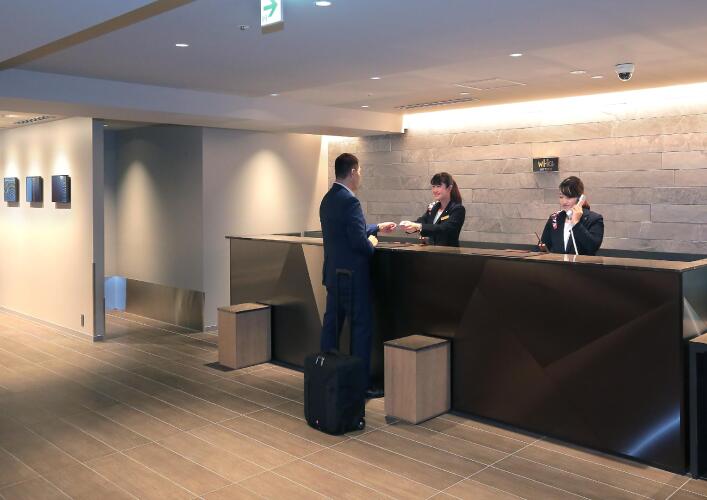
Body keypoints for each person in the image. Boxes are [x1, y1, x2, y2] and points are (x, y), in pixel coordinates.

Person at [319, 153, 395, 398]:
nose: (360, 175)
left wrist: (376, 227)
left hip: (334, 276)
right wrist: (372, 241)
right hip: (353, 278)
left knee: (331, 327)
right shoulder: (350, 201)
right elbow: (360, 243)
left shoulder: (328, 199)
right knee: (361, 330)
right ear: (352, 172)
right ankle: (360, 386)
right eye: (359, 171)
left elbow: (345, 231)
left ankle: (324, 377)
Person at [539, 176, 604, 255]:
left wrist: (576, 223)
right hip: (557, 262)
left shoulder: (594, 219)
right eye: (561, 197)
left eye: (569, 197)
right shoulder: (554, 218)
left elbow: (593, 247)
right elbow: (543, 246)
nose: (564, 202)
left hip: (581, 263)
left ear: (580, 198)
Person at [399, 172, 466, 247]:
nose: (435, 190)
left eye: (438, 186)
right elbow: (422, 220)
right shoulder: (434, 207)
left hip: (449, 252)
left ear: (449, 188)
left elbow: (444, 228)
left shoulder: (458, 209)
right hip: (432, 250)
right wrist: (409, 225)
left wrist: (418, 226)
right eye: (433, 186)